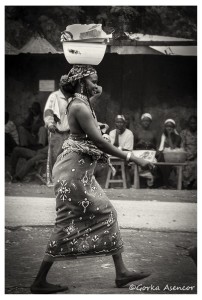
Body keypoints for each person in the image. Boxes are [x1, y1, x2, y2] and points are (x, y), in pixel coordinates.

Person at [30, 64, 153, 294]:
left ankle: (121, 272)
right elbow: (100, 142)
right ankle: (39, 281)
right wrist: (133, 157)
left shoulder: (83, 103)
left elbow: (87, 132)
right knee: (66, 223)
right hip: (72, 175)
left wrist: (99, 123)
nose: (97, 84)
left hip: (79, 173)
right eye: (94, 80)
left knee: (107, 213)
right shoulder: (79, 105)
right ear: (81, 82)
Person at [44, 76, 102, 186]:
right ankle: (53, 181)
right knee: (54, 156)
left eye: (67, 81)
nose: (65, 83)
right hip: (57, 131)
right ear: (60, 83)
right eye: (63, 81)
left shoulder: (74, 97)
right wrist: (50, 123)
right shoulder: (54, 96)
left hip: (70, 132)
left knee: (69, 157)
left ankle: (67, 180)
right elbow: (48, 111)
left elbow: (87, 105)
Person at [157, 119, 182, 188]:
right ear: (165, 127)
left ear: (174, 127)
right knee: (161, 159)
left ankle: (166, 183)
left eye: (171, 126)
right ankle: (165, 183)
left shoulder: (178, 137)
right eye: (167, 126)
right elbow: (158, 149)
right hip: (161, 157)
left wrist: (169, 135)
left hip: (173, 157)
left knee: (165, 160)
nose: (169, 128)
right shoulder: (161, 136)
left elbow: (172, 149)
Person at [180, 116, 197, 189]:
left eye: (194, 123)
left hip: (197, 156)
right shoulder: (184, 133)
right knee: (181, 165)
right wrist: (185, 155)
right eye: (191, 123)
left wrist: (195, 154)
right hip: (186, 155)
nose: (192, 125)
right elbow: (182, 145)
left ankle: (191, 183)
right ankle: (184, 184)